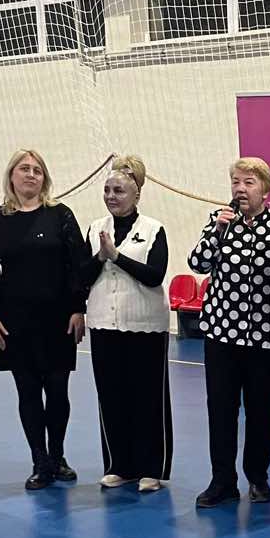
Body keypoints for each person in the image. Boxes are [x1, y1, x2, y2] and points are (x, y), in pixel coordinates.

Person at [0, 150, 91, 491]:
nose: (30, 174)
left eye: (37, 170)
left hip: (58, 318)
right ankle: (39, 461)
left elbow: (77, 265)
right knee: (27, 391)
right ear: (11, 176)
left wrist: (78, 308)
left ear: (45, 178)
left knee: (57, 391)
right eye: (24, 169)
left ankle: (58, 456)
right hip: (15, 320)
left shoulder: (61, 215)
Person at [189, 157, 270, 507]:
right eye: (236, 181)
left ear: (265, 189)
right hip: (222, 334)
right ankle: (222, 480)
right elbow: (197, 263)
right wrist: (217, 233)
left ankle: (258, 477)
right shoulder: (218, 221)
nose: (240, 189)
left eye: (249, 182)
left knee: (262, 410)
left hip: (268, 335)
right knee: (221, 409)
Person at [82, 155, 173, 492]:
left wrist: (117, 256)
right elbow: (81, 276)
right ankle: (119, 465)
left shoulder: (153, 229)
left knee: (148, 398)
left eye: (118, 190)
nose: (111, 196)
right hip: (104, 323)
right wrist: (100, 256)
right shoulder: (94, 228)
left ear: (137, 193)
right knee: (111, 396)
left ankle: (151, 468)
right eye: (107, 190)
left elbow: (154, 275)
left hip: (146, 326)